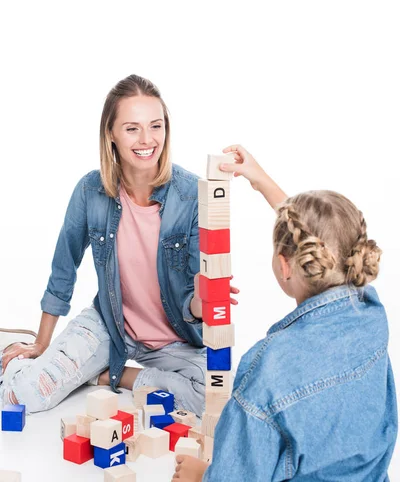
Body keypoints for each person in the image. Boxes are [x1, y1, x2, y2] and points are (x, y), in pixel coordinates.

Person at [0, 74, 239, 417]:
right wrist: (41, 341)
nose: (147, 140)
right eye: (132, 128)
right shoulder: (90, 190)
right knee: (23, 396)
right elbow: (64, 267)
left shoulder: (192, 195)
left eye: (156, 126)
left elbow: (194, 307)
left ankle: (111, 375)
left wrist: (205, 296)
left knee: (215, 397)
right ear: (110, 133)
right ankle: (9, 347)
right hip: (110, 325)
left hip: (173, 337)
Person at [174, 145, 398, 481]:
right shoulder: (371, 313)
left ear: (284, 266)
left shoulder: (267, 373)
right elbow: (321, 238)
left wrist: (202, 475)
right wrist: (260, 179)